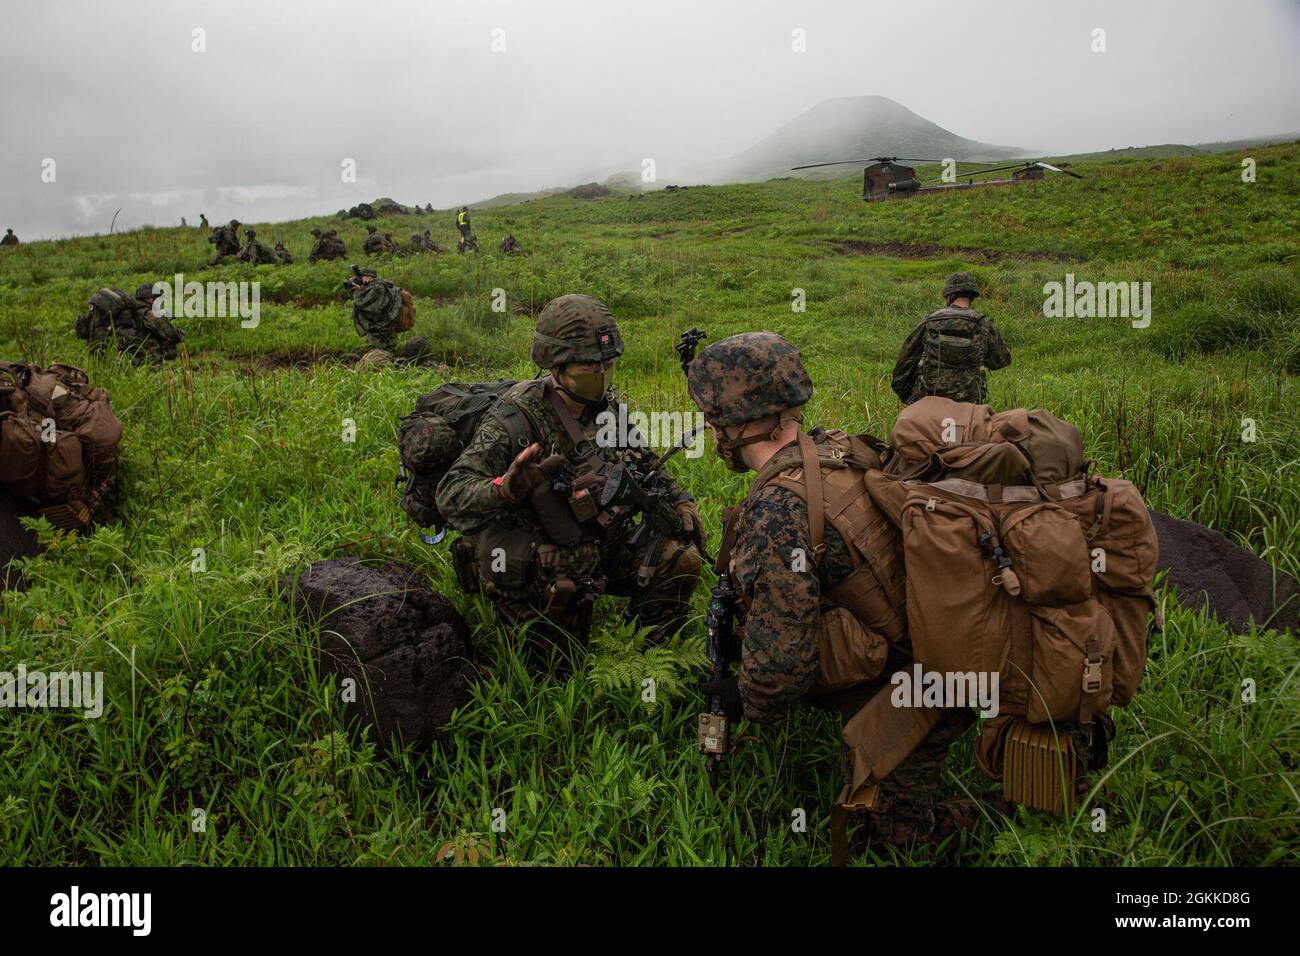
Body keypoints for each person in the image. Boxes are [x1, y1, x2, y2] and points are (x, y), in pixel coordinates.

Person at [686, 331, 991, 855]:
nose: (711, 431)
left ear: (737, 424)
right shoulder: (842, 449)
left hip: (925, 686)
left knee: (891, 843)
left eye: (714, 420)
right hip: (946, 644)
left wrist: (743, 698)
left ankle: (1005, 811)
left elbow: (781, 669)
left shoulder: (777, 510)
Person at [435, 294, 705, 649]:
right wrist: (504, 489)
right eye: (590, 367)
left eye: (607, 365)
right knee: (557, 669)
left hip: (595, 539)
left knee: (681, 559)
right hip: (538, 552)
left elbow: (645, 461)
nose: (602, 375)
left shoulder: (607, 410)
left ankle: (642, 655)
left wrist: (681, 501)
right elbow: (450, 493)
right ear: (556, 366)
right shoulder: (514, 419)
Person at [891, 272, 1011, 406]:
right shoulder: (983, 324)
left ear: (948, 296)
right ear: (971, 297)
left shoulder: (930, 321)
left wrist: (910, 400)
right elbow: (1001, 361)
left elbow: (903, 367)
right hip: (970, 405)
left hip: (929, 402)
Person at [75, 283, 185, 363]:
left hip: (109, 354)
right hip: (139, 357)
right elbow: (170, 333)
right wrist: (179, 335)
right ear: (150, 299)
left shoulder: (124, 312)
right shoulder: (146, 313)